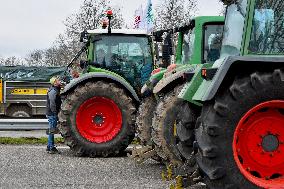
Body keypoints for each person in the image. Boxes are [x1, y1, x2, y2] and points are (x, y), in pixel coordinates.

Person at [46, 76, 62, 154]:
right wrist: (55, 112)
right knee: (52, 131)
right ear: (55, 83)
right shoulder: (53, 91)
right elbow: (52, 103)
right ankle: (51, 148)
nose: (60, 81)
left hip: (52, 113)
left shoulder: (55, 90)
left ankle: (49, 146)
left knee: (51, 130)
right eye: (58, 80)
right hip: (52, 114)